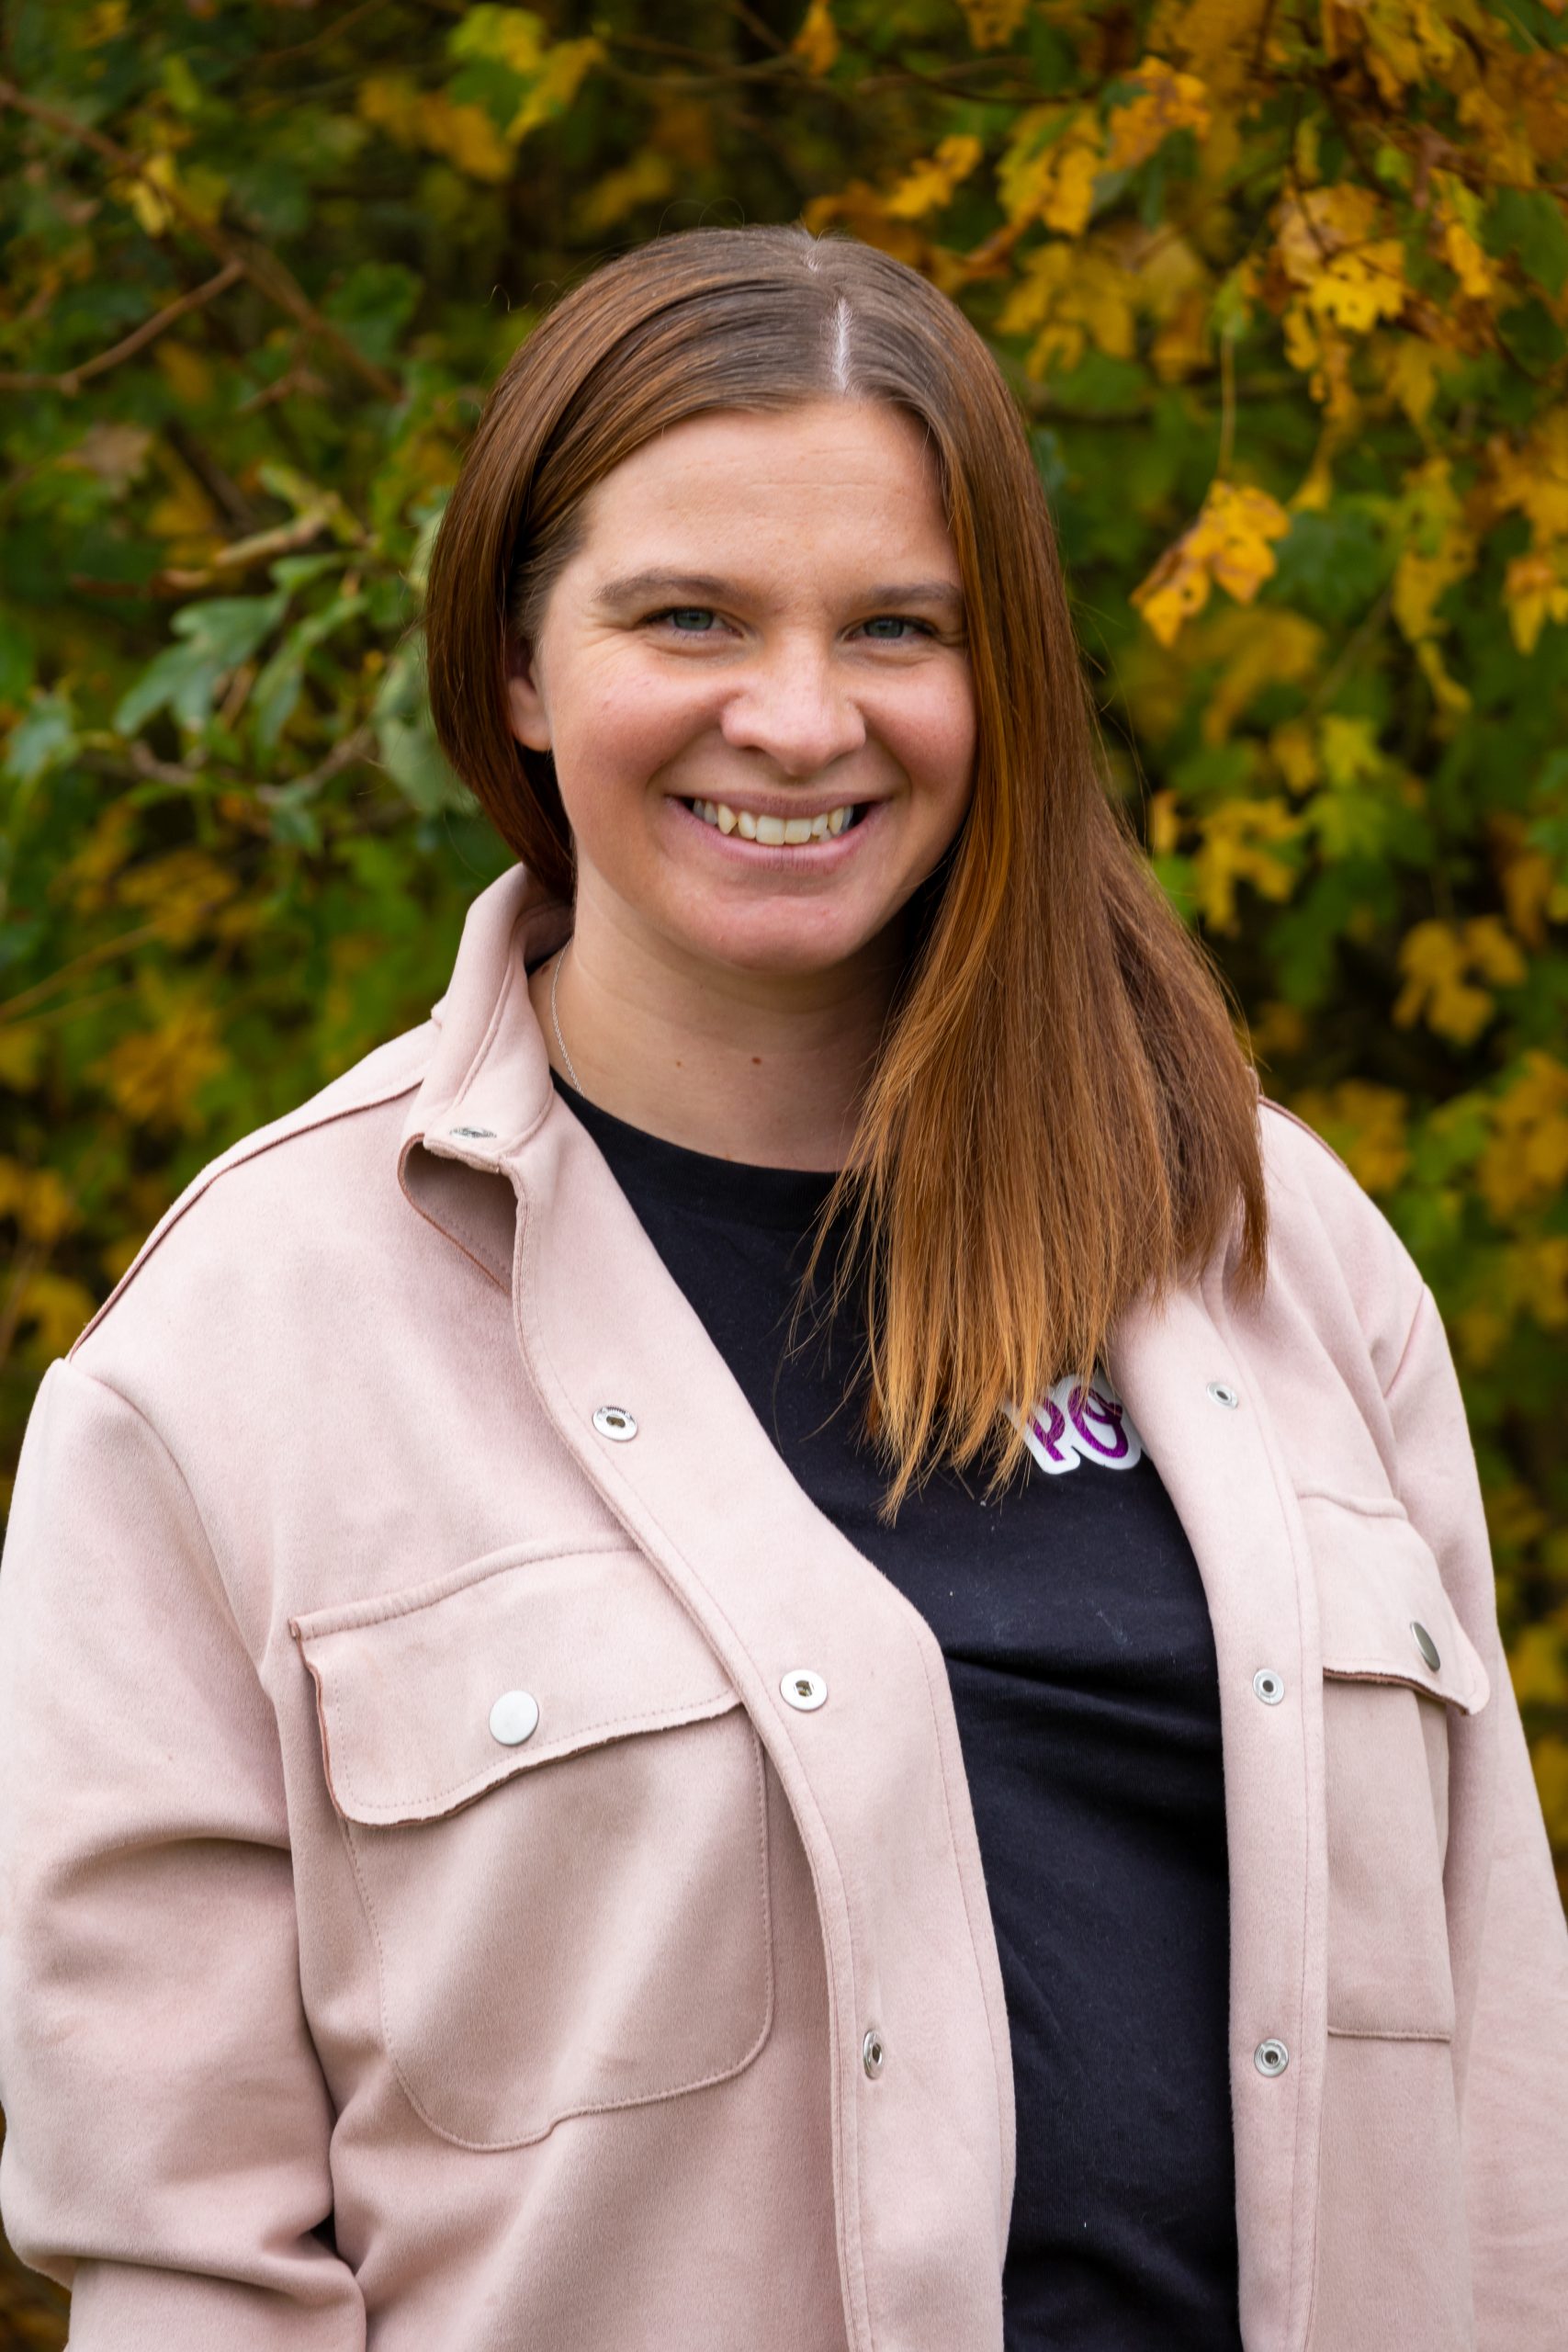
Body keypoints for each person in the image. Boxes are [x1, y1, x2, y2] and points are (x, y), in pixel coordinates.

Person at [0, 225, 1563, 2352]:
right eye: (689, 617)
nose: (800, 715)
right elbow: (192, 2265)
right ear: (522, 668)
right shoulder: (234, 1362)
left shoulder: (1275, 1254)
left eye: (896, 626)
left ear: (991, 674)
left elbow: (1504, 2129)